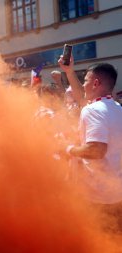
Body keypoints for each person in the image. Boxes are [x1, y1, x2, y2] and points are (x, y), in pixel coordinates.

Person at [58, 55, 122, 232]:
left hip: (98, 197)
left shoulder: (93, 110)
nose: (82, 84)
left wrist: (69, 149)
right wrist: (69, 72)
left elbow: (96, 150)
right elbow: (83, 99)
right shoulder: (116, 108)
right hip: (116, 194)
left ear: (95, 83)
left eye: (85, 80)